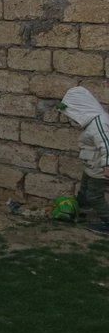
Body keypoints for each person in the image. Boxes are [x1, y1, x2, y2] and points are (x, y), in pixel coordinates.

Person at [56, 86, 109, 233]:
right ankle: (78, 212)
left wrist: (107, 165)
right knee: (84, 191)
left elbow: (106, 144)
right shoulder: (93, 122)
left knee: (94, 196)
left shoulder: (99, 123)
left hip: (99, 167)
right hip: (92, 165)